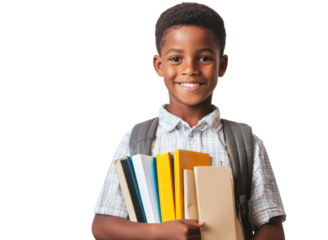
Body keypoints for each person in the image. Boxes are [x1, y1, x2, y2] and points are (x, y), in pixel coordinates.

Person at [91, 1, 286, 239]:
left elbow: (272, 226)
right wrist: (158, 232)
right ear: (158, 66)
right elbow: (101, 225)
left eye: (204, 58)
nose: (190, 69)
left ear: (222, 66)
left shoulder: (247, 142)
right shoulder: (136, 138)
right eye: (176, 59)